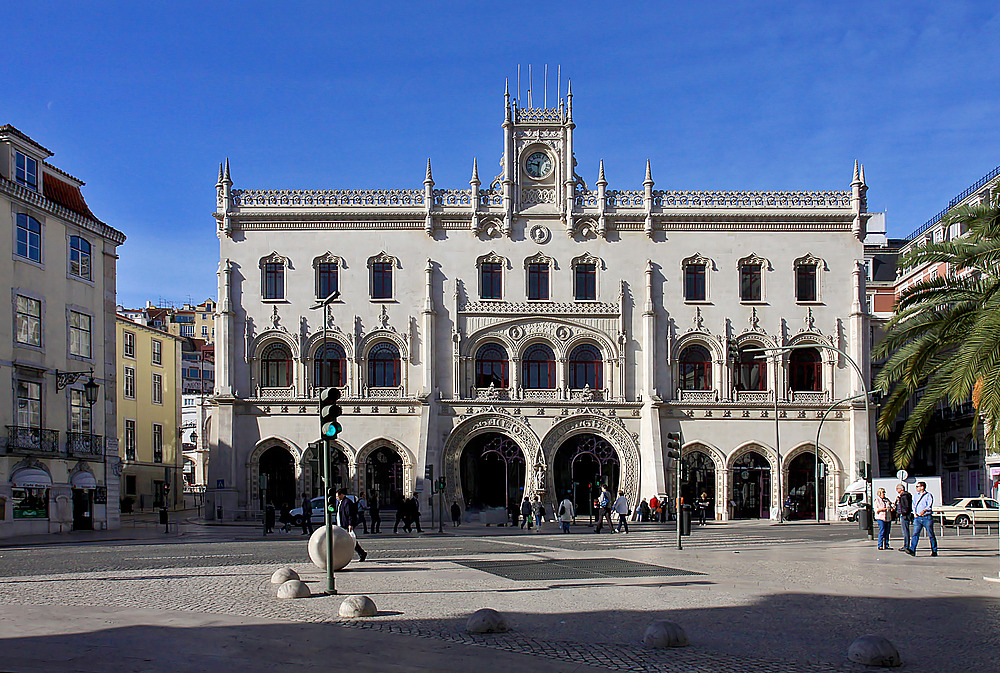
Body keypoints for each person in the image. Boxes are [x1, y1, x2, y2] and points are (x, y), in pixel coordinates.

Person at [335, 488, 368, 562]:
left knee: (348, 540)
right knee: (350, 540)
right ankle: (362, 553)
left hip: (346, 524)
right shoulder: (341, 502)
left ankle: (360, 553)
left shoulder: (347, 502)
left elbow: (350, 514)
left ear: (342, 495)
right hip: (342, 524)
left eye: (337, 496)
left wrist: (350, 524)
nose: (336, 498)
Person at [906, 481, 938, 557]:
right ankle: (912, 549)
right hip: (918, 518)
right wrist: (915, 513)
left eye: (918, 486)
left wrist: (924, 511)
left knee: (931, 534)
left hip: (926, 517)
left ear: (922, 487)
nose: (916, 488)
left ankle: (934, 550)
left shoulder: (928, 495)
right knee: (915, 534)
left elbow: (929, 505)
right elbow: (913, 504)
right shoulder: (916, 496)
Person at [894, 484, 912, 552]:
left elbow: (905, 506)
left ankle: (906, 545)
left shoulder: (904, 496)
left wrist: (903, 513)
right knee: (905, 530)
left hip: (904, 515)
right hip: (905, 514)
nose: (896, 490)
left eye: (897, 488)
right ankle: (906, 545)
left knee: (905, 531)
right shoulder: (904, 496)